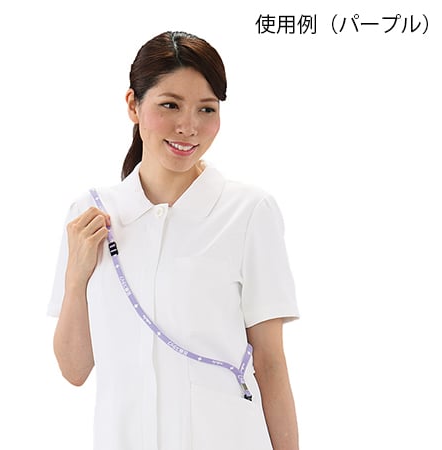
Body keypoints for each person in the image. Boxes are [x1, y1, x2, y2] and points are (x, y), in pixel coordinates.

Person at [48, 31, 300, 450]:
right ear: (133, 104)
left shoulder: (248, 212)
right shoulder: (89, 214)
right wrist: (77, 278)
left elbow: (270, 364)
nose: (189, 126)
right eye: (170, 105)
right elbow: (74, 370)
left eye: (207, 109)